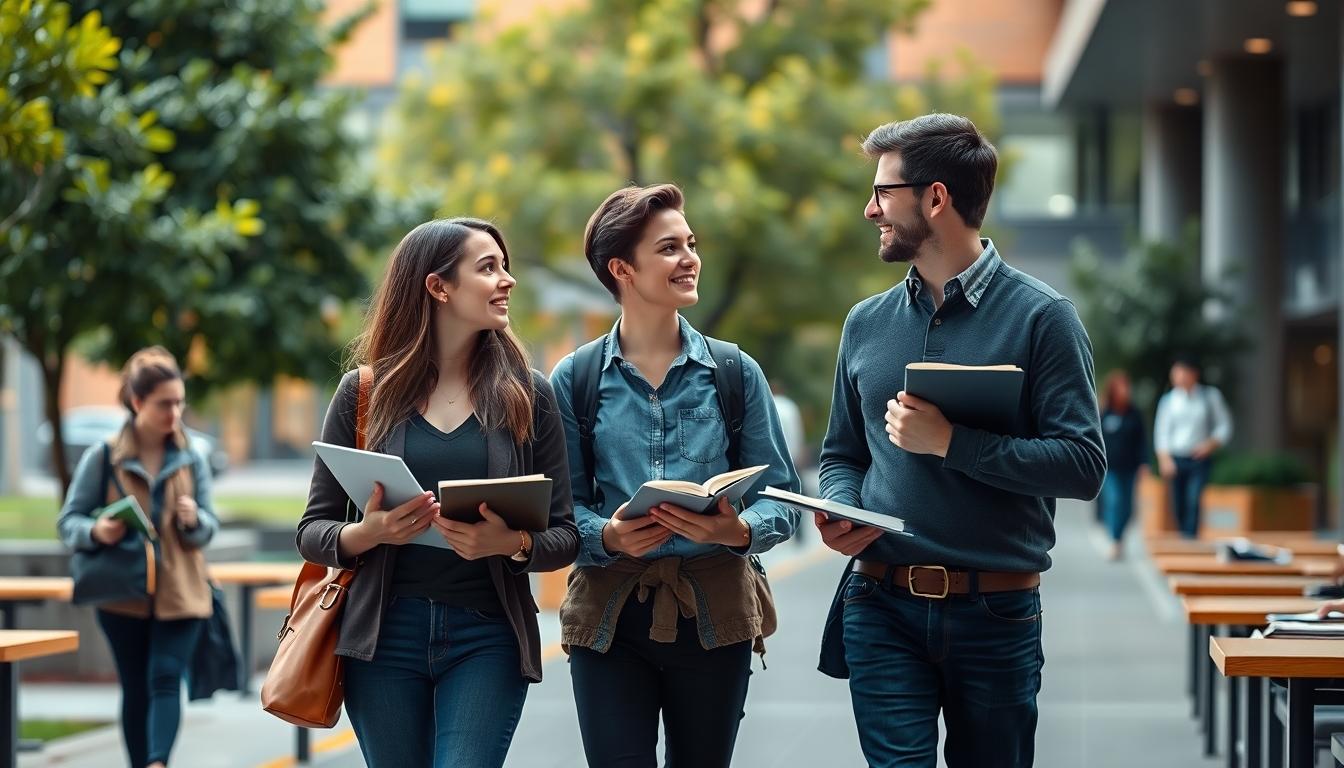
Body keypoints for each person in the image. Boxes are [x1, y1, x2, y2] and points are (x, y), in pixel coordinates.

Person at [814, 113, 1106, 768]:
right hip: (879, 606)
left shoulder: (1043, 319)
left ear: (936, 197)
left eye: (883, 192)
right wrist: (838, 506)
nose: (870, 209)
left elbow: (1084, 465)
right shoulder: (866, 323)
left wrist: (951, 442)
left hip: (996, 615)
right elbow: (842, 453)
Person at [296, 218, 579, 768]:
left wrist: (511, 544)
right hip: (383, 638)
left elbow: (564, 535)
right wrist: (366, 533)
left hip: (487, 636)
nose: (507, 281)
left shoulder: (529, 395)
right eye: (488, 268)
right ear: (438, 286)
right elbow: (312, 531)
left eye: (506, 266)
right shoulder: (363, 394)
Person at [550, 183, 801, 768]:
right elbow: (561, 511)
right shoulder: (575, 378)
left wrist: (734, 531)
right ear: (623, 269)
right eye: (668, 248)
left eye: (690, 244)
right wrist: (606, 536)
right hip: (606, 616)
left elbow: (782, 501)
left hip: (716, 611)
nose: (690, 258)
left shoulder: (735, 371)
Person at [57, 346, 219, 768]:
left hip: (182, 591)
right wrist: (96, 530)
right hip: (121, 593)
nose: (176, 412)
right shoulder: (103, 457)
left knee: (166, 677)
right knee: (134, 686)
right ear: (137, 402)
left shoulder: (192, 457)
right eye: (166, 403)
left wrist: (194, 518)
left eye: (180, 401)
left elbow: (209, 527)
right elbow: (67, 522)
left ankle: (157, 761)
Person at [1153, 356, 1232, 539]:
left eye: (1181, 372)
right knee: (1178, 503)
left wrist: (1210, 444)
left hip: (1199, 458)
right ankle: (1184, 536)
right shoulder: (1168, 401)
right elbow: (1161, 432)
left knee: (1194, 499)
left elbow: (1224, 426)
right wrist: (1165, 460)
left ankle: (1190, 539)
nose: (1178, 377)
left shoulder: (1210, 396)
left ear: (1193, 374)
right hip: (1176, 458)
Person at [1099, 370, 1147, 560]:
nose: (1125, 391)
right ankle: (1114, 539)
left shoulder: (1134, 414)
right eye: (1121, 387)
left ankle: (1119, 535)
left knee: (1127, 507)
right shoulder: (1104, 413)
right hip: (1109, 468)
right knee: (1114, 500)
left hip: (1130, 467)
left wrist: (1144, 463)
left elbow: (1142, 441)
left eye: (1127, 387)